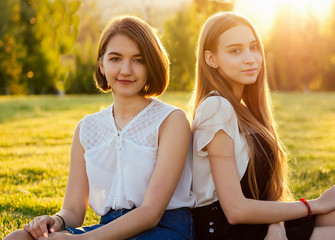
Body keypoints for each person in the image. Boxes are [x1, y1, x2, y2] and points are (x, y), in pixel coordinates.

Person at [5, 16, 195, 240]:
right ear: (101, 65)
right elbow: (74, 211)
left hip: (164, 229)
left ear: (152, 65)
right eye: (115, 59)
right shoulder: (87, 128)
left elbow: (151, 213)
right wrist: (57, 221)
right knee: (19, 237)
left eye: (138, 60)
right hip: (107, 229)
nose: (126, 70)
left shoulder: (171, 120)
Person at [190, 12, 335, 240]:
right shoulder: (215, 107)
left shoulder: (247, 111)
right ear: (211, 59)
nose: (251, 58)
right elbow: (235, 210)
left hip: (261, 222)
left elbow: (267, 194)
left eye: (254, 47)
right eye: (235, 51)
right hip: (227, 232)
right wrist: (315, 205)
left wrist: (278, 224)